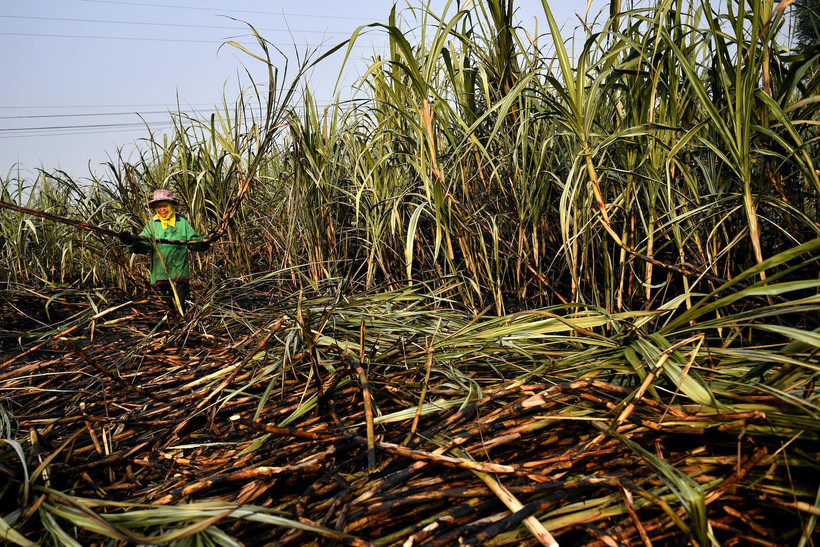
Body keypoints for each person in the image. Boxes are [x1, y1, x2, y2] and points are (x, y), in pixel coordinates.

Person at [119, 188, 209, 315]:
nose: (162, 209)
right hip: (160, 276)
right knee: (165, 312)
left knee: (180, 309)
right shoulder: (152, 225)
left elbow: (194, 243)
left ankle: (181, 331)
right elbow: (142, 246)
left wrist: (204, 242)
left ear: (171, 206)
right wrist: (130, 241)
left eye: (165, 206)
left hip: (179, 275)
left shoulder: (181, 223)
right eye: (159, 206)